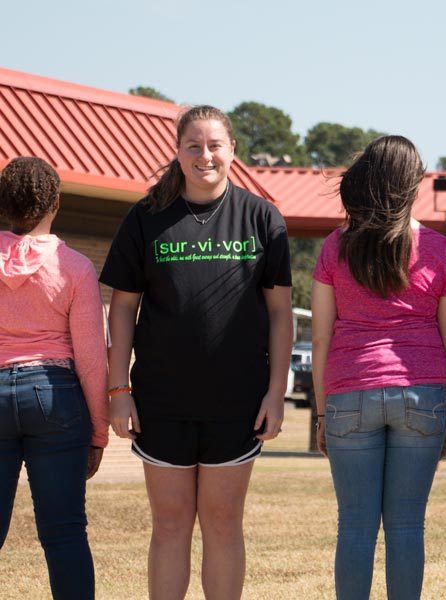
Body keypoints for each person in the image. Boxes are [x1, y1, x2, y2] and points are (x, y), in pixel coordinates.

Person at [100, 105, 292, 600]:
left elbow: (279, 313)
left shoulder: (261, 217)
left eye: (214, 145)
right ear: (178, 151)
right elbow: (121, 309)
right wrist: (119, 389)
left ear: (232, 151)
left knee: (224, 524)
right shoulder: (145, 217)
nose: (204, 155)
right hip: (162, 401)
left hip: (238, 403)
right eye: (193, 145)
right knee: (169, 526)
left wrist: (276, 392)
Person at [311, 135, 446, 600]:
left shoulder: (334, 247)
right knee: (406, 525)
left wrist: (321, 412)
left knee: (354, 526)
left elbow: (320, 337)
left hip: (349, 390)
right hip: (422, 394)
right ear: (412, 185)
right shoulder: (439, 250)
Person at [0, 156, 108, 599]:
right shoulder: (76, 266)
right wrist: (98, 434)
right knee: (63, 533)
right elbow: (91, 357)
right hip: (56, 393)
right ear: (56, 204)